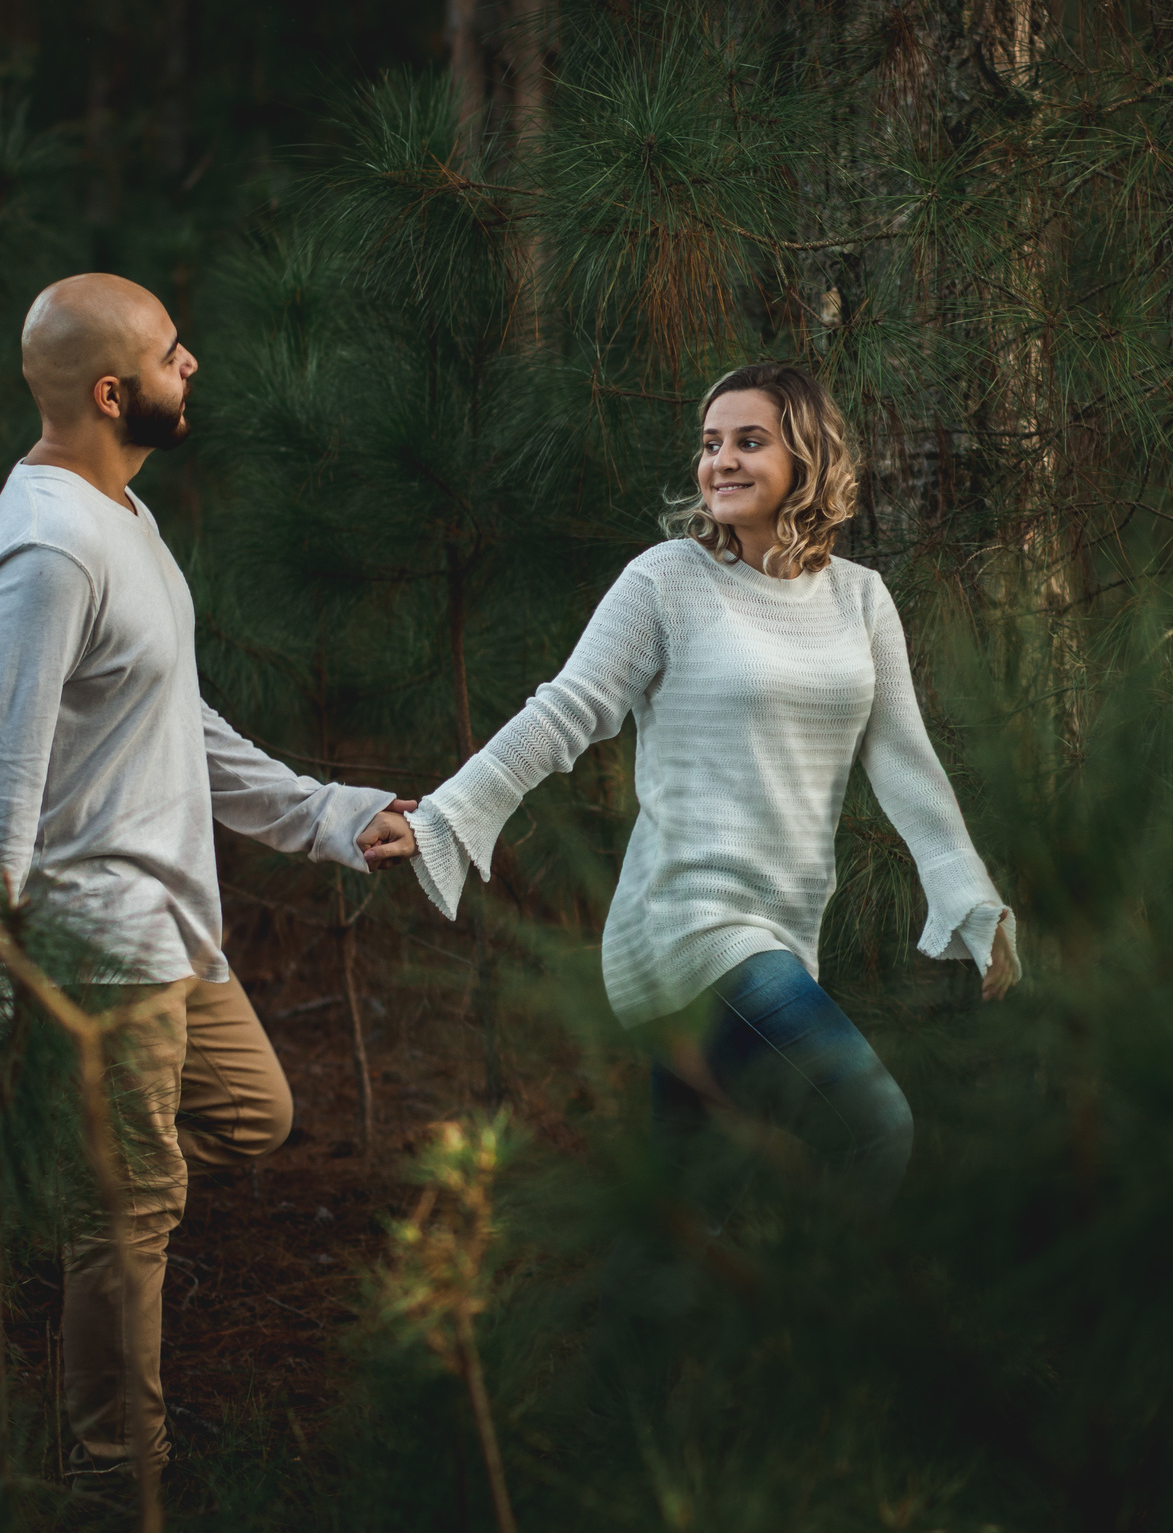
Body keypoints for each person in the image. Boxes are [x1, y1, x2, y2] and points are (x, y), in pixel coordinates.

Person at [401, 361, 1019, 1232]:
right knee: (875, 1128)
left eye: (749, 441)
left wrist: (969, 894)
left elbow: (904, 757)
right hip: (687, 927)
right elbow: (565, 712)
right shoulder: (667, 580)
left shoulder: (861, 599)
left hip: (778, 930)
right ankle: (801, 1347)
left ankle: (641, 1365)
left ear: (805, 458)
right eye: (710, 443)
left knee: (686, 1221)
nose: (720, 461)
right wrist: (446, 813)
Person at [0, 273, 416, 1496]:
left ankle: (60, 1181)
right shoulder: (47, 548)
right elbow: (6, 770)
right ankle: (120, 1479)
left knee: (252, 1116)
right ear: (113, 391)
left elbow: (185, 721)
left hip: (177, 930)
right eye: (178, 356)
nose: (201, 369)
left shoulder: (122, 517)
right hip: (98, 941)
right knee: (131, 1214)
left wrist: (332, 816)